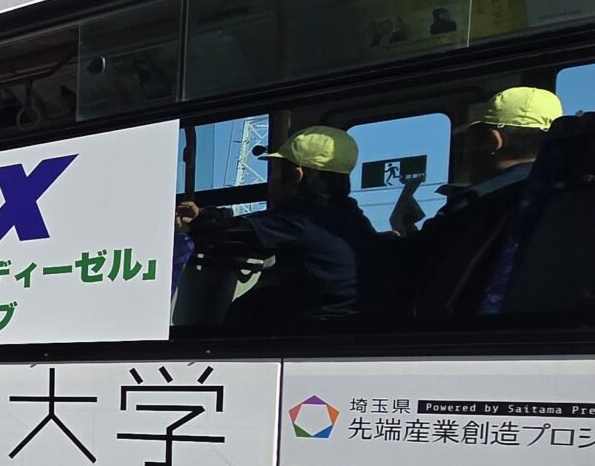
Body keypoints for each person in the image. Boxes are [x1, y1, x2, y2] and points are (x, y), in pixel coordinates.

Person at [180, 125, 384, 326]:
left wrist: (203, 219)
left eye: (275, 171)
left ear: (297, 176)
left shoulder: (303, 219)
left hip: (318, 333)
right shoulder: (353, 219)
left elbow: (222, 235)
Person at [409, 85, 563, 316]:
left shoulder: (476, 206)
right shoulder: (558, 197)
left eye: (468, 140)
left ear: (494, 141)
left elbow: (419, 265)